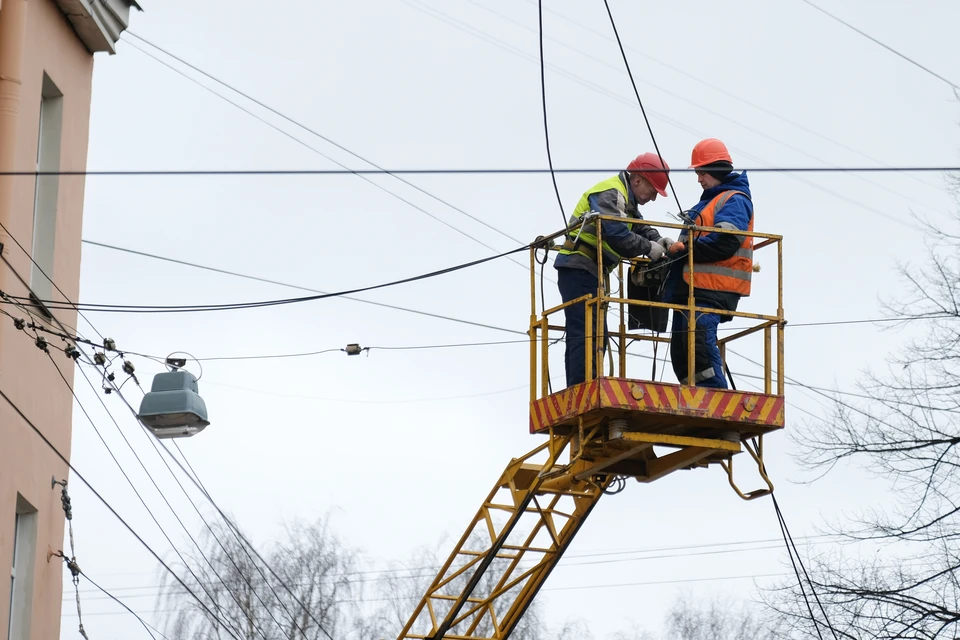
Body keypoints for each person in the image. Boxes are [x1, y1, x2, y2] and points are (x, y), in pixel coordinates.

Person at [554, 153, 671, 388]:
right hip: (580, 267)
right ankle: (581, 391)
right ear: (638, 180)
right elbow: (616, 234)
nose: (653, 198)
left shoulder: (625, 200)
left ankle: (584, 387)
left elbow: (638, 225)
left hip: (589, 271)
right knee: (588, 334)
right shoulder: (611, 192)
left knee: (596, 336)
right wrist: (650, 248)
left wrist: (660, 240)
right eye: (653, 190)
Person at [663, 138, 754, 389]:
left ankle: (718, 400)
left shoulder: (734, 200)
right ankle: (695, 400)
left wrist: (687, 249)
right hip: (691, 289)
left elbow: (726, 242)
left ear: (715, 169)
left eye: (701, 172)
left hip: (713, 288)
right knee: (682, 355)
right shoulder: (706, 203)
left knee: (699, 345)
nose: (699, 179)